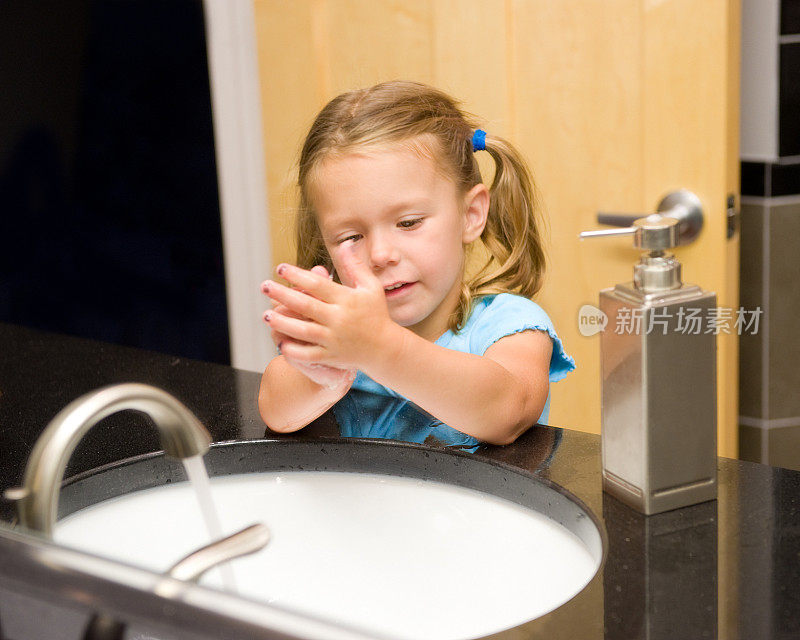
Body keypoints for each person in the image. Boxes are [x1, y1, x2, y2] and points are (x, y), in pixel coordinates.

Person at [258, 81, 574, 452]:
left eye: (408, 223)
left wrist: (380, 349)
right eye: (350, 237)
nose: (379, 255)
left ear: (471, 215)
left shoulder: (508, 325)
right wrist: (325, 372)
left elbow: (507, 409)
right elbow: (276, 408)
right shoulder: (343, 335)